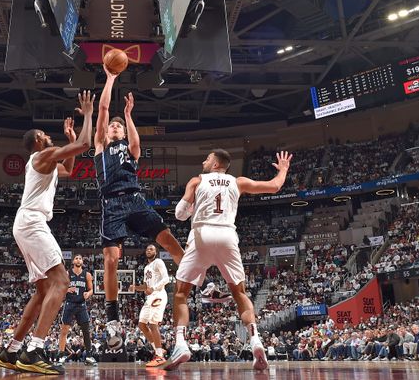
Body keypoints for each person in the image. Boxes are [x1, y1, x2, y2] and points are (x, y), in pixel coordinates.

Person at [160, 149, 292, 371]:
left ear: (215, 164)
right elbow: (275, 186)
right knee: (239, 293)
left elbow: (180, 214)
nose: (204, 160)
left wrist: (192, 207)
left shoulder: (196, 180)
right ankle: (255, 340)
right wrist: (284, 169)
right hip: (228, 236)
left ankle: (181, 344)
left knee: (181, 293)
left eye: (207, 158)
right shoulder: (238, 181)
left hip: (202, 234)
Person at [0, 91, 95, 375]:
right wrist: (87, 114)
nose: (49, 136)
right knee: (62, 282)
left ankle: (11, 350)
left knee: (41, 294)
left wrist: (71, 137)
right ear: (37, 140)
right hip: (32, 222)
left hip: (26, 223)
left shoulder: (45, 163)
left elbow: (70, 170)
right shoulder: (42, 155)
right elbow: (86, 145)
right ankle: (34, 349)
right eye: (44, 134)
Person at [93, 68, 184, 349]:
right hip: (112, 204)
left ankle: (197, 279)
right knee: (111, 260)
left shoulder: (130, 150)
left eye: (118, 126)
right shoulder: (100, 146)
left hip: (134, 199)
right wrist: (110, 79)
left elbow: (136, 143)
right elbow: (105, 108)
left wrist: (129, 116)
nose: (115, 127)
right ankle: (112, 319)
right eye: (113, 126)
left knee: (168, 239)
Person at [128, 243, 169, 367]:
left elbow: (166, 278)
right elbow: (146, 287)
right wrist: (136, 287)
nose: (148, 250)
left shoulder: (159, 262)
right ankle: (158, 349)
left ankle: (160, 356)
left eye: (151, 249)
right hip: (150, 296)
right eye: (147, 249)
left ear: (156, 252)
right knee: (141, 324)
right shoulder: (146, 267)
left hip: (159, 294)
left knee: (153, 323)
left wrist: (154, 287)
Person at [57, 254, 97, 365]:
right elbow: (60, 287)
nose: (78, 260)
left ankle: (89, 356)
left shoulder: (87, 275)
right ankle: (60, 356)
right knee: (64, 330)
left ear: (82, 261)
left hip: (81, 305)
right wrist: (67, 289)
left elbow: (91, 290)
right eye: (76, 258)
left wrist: (88, 294)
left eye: (80, 258)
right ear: (73, 261)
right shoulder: (67, 273)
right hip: (69, 304)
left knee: (86, 330)